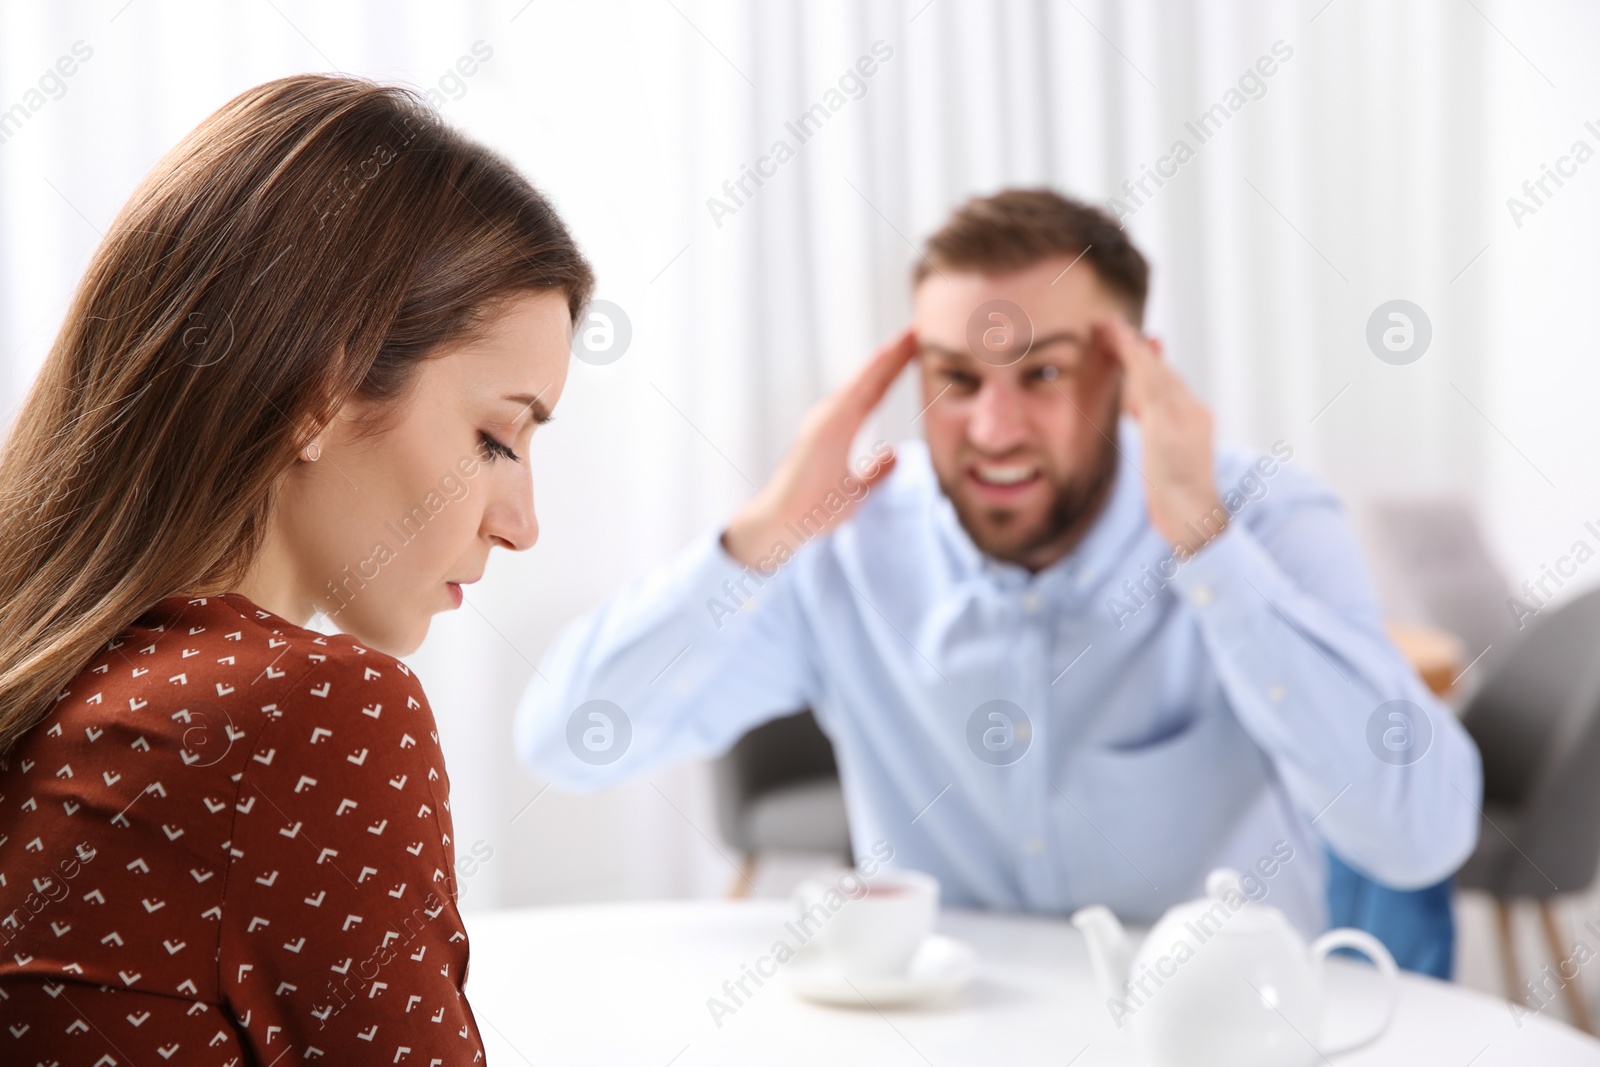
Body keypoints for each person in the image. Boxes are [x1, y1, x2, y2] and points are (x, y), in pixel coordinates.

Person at [516, 189, 1482, 942]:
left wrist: (1208, 552)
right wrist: (761, 534)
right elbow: (565, 743)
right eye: (958, 378)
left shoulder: (1262, 517)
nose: (993, 428)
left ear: (1134, 371)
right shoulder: (846, 549)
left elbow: (1420, 834)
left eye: (1045, 373)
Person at [0, 74, 592, 1063]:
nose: (522, 522)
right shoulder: (305, 715)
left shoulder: (69, 688)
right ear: (319, 390)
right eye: (497, 436)